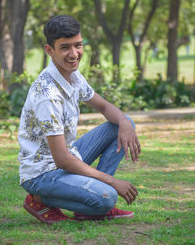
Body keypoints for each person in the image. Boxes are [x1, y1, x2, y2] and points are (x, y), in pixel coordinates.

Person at [18, 15, 141, 224]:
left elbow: (103, 106)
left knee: (121, 123)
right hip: (43, 174)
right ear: (50, 50)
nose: (74, 54)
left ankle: (90, 206)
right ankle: (39, 199)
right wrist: (113, 182)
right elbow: (62, 159)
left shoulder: (73, 76)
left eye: (78, 45)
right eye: (65, 47)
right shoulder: (47, 95)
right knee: (107, 198)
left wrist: (125, 121)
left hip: (65, 159)